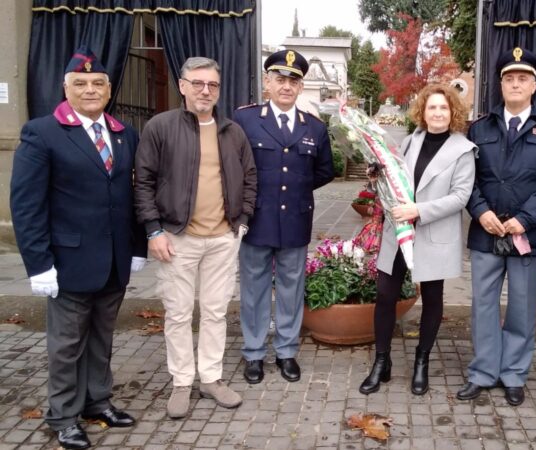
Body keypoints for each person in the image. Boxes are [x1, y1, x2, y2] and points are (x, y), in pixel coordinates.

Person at [10, 46, 146, 449]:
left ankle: (97, 402)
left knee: (102, 338)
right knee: (67, 345)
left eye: (98, 83)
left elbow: (132, 195)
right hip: (67, 261)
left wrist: (136, 246)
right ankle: (63, 415)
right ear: (66, 88)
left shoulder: (123, 134)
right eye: (81, 83)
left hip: (113, 261)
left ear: (108, 89)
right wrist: (38, 264)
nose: (90, 90)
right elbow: (27, 204)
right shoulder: (43, 133)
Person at [134, 57, 257, 419]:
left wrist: (243, 221)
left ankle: (211, 378)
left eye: (213, 85)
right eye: (198, 83)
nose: (206, 91)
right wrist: (153, 230)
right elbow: (143, 183)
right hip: (176, 238)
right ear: (182, 85)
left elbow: (250, 179)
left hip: (222, 238)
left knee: (216, 312)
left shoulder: (232, 131)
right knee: (178, 313)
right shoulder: (161, 127)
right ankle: (182, 382)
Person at [456, 47, 536, 407]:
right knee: (483, 306)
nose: (515, 84)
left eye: (523, 78)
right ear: (500, 84)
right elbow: (466, 178)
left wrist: (524, 219)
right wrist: (479, 210)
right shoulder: (479, 127)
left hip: (527, 235)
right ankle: (484, 372)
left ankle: (514, 374)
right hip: (486, 232)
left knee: (522, 307)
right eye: (509, 78)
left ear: (535, 85)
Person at [359, 84, 476, 396]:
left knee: (433, 299)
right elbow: (395, 178)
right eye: (431, 107)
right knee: (385, 294)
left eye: (443, 108)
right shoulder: (410, 141)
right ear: (422, 112)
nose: (437, 113)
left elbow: (461, 197)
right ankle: (381, 362)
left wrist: (419, 210)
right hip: (398, 232)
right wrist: (377, 175)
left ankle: (422, 362)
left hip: (432, 231)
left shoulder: (463, 150)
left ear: (453, 113)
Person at [233, 49, 335, 385]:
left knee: (292, 289)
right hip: (256, 220)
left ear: (301, 86)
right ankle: (253, 353)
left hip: (295, 219)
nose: (286, 86)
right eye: (279, 79)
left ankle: (287, 352)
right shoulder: (245, 120)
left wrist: (295, 189)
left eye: (293, 80)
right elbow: (234, 166)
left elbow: (323, 171)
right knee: (254, 289)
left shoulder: (315, 128)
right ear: (267, 81)